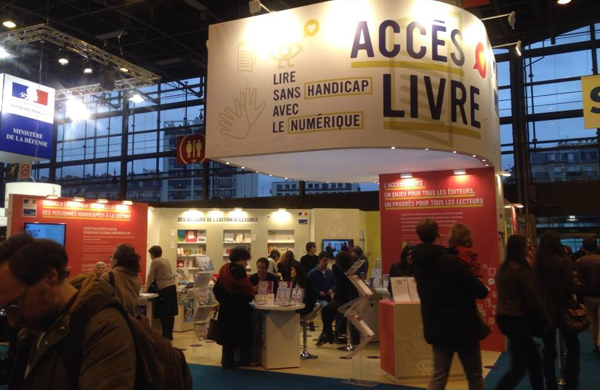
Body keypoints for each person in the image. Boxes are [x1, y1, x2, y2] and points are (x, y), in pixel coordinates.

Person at [0, 233, 136, 389]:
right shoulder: (34, 329)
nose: (11, 321)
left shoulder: (105, 328)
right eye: (4, 310)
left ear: (50, 277)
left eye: (15, 304)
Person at [411, 218, 489, 390]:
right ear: (438, 233)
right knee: (474, 376)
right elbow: (480, 291)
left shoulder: (419, 264)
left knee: (439, 377)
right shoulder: (452, 262)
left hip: (436, 326)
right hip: (463, 327)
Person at [495, 235, 546, 390]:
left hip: (506, 318)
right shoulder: (519, 270)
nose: (529, 248)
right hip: (516, 320)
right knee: (520, 368)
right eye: (527, 245)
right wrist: (545, 316)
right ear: (520, 248)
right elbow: (531, 296)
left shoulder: (504, 267)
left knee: (532, 362)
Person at [532, 231, 581, 390]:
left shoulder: (537, 263)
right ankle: (570, 381)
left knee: (548, 349)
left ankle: (550, 383)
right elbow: (566, 286)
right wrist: (573, 300)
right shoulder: (562, 261)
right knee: (573, 346)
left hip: (544, 310)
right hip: (562, 309)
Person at [213, 246, 254, 368]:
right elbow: (245, 289)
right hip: (239, 309)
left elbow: (216, 289)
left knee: (227, 338)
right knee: (243, 334)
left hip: (226, 308)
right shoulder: (240, 271)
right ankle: (245, 360)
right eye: (246, 260)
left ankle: (227, 360)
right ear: (241, 259)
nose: (246, 264)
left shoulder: (225, 269)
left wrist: (224, 300)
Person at [316, 250, 357, 346]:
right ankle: (327, 333)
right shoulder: (353, 268)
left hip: (342, 299)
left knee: (326, 311)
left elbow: (338, 285)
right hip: (352, 298)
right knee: (331, 311)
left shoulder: (336, 268)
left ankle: (327, 333)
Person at [575, 236, 600, 355]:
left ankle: (596, 343)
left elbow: (578, 280)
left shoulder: (579, 262)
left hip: (588, 294)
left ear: (584, 247)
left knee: (593, 320)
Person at [146, 245, 178, 340]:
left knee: (164, 313)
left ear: (152, 254)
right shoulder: (166, 260)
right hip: (172, 287)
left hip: (164, 288)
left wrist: (146, 288)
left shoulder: (155, 262)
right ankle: (169, 335)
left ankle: (164, 336)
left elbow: (150, 276)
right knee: (171, 313)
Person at [102, 243, 142, 317]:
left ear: (117, 260)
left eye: (112, 257)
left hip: (116, 322)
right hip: (132, 323)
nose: (110, 260)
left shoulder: (108, 277)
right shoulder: (138, 279)